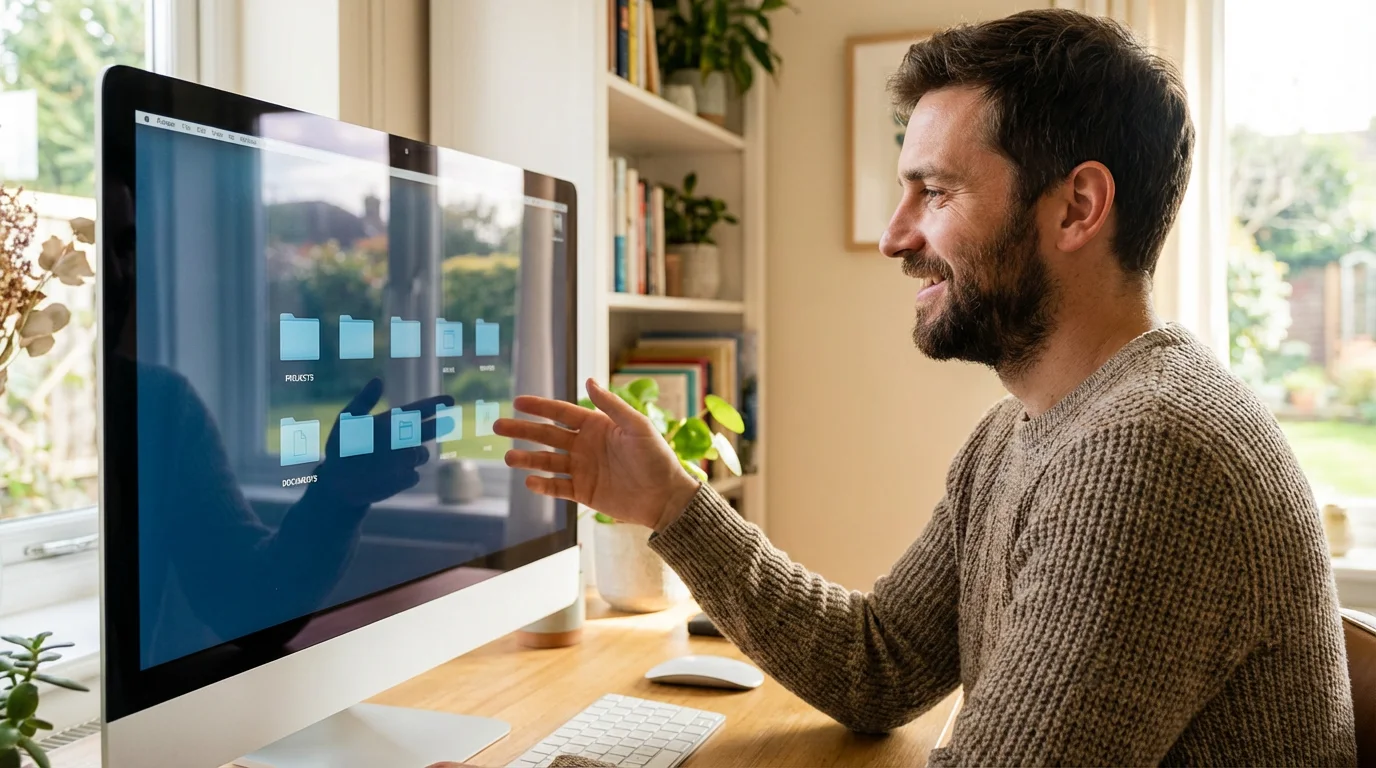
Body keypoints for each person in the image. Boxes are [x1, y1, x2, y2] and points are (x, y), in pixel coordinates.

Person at [486, 8, 1361, 767]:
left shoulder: (1150, 451)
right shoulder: (1024, 430)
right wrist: (673, 504)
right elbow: (880, 666)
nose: (893, 237)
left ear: (1076, 208)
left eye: (934, 191)